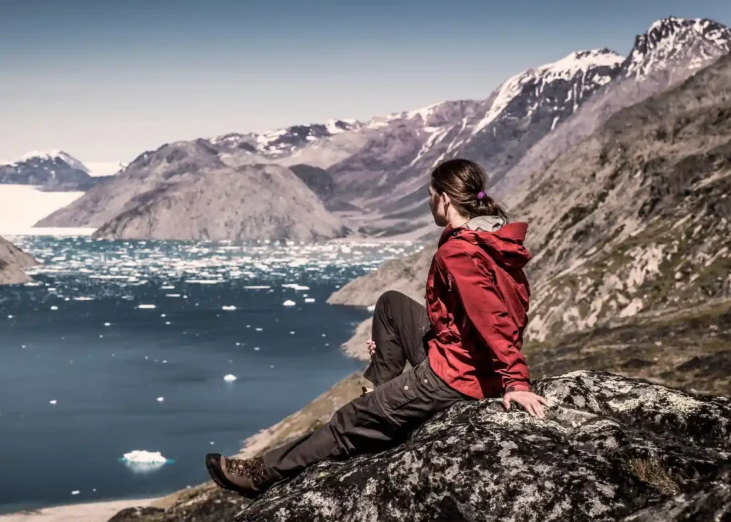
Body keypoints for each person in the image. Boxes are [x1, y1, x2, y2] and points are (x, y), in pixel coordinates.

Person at [205, 158, 548, 498]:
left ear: (444, 198)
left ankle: (260, 475)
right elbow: (510, 310)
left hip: (456, 375)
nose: (429, 203)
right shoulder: (491, 236)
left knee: (348, 420)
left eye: (430, 195)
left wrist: (515, 381)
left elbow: (492, 318)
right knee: (391, 304)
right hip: (466, 356)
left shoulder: (459, 252)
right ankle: (381, 390)